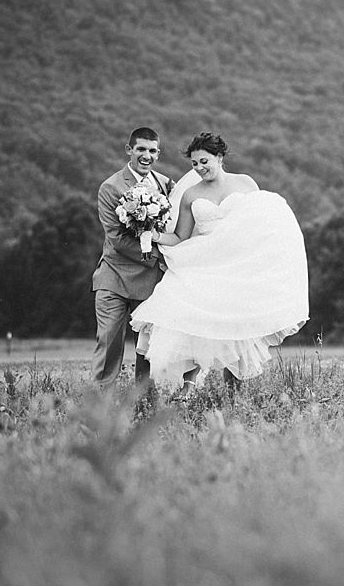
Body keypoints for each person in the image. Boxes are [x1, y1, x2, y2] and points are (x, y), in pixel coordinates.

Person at [130, 132, 309, 399]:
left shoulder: (246, 183)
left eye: (204, 161)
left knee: (237, 329)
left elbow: (262, 223)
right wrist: (152, 233)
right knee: (190, 316)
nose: (200, 168)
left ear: (220, 157)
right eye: (194, 164)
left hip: (238, 265)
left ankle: (232, 397)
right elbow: (180, 236)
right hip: (204, 261)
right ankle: (187, 387)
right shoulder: (191, 194)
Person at [90, 126, 175, 391]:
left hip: (149, 283)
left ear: (158, 153)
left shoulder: (165, 184)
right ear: (129, 150)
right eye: (140, 149)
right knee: (109, 340)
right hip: (114, 277)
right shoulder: (111, 187)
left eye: (152, 150)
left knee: (147, 345)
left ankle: (144, 400)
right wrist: (157, 257)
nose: (146, 155)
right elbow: (116, 238)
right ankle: (100, 402)